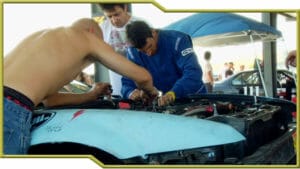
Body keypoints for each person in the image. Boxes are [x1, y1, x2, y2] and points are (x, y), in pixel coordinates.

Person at [3, 18, 158, 154]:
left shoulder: (41, 38)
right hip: (11, 107)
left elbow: (49, 101)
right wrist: (151, 93)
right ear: (91, 31)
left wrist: (91, 94)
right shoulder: (86, 37)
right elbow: (143, 76)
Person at [121, 20, 207, 106]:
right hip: (163, 104)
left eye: (150, 46)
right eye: (143, 51)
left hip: (193, 99)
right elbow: (127, 81)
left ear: (153, 32)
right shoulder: (132, 52)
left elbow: (193, 72)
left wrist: (173, 93)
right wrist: (130, 92)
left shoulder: (178, 41)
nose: (149, 53)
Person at [98, 3, 139, 96]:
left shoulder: (140, 24)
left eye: (117, 14)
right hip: (117, 87)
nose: (114, 20)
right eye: (109, 16)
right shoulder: (103, 27)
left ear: (125, 8)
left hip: (139, 84)